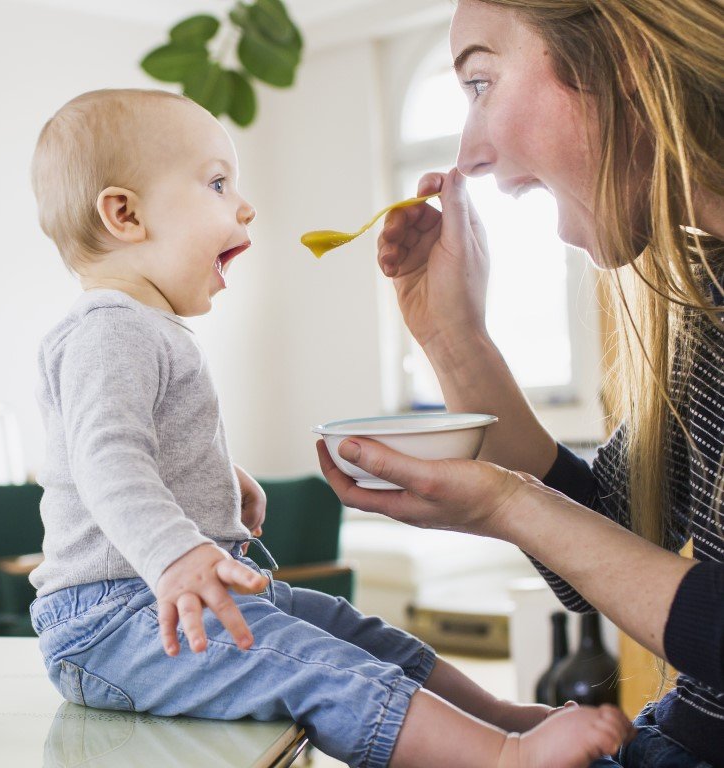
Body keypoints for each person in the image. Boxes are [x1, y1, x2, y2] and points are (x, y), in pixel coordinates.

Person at [27, 88, 632, 768]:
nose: (244, 206)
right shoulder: (110, 330)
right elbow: (105, 460)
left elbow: (128, 448)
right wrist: (176, 554)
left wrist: (212, 480)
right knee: (310, 665)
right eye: (217, 183)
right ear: (125, 214)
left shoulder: (141, 330)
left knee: (350, 630)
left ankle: (495, 716)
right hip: (114, 622)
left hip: (154, 601)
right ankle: (499, 757)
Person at [317, 1, 723, 766]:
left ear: (623, 57)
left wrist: (510, 504)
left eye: (479, 83)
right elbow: (615, 536)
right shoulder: (712, 303)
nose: (467, 152)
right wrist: (454, 339)